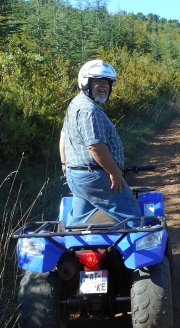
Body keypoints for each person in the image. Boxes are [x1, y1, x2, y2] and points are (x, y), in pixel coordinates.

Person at [59, 59, 141, 227]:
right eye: (97, 81)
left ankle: (72, 250)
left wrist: (64, 163)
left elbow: (64, 134)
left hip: (78, 176)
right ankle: (136, 253)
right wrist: (115, 173)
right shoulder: (89, 111)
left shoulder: (76, 103)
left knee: (77, 224)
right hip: (96, 176)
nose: (103, 86)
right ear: (86, 83)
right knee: (131, 216)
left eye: (107, 82)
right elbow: (95, 147)